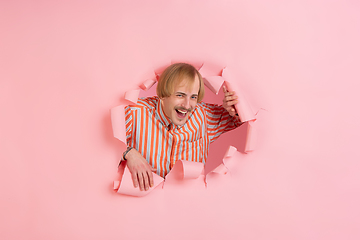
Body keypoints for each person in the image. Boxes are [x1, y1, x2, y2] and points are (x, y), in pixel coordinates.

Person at [122, 63, 242, 191]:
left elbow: (240, 117)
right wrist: (128, 153)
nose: (187, 105)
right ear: (163, 94)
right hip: (140, 205)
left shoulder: (204, 116)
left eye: (193, 97)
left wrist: (233, 106)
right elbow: (102, 139)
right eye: (180, 95)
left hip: (188, 205)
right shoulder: (135, 112)